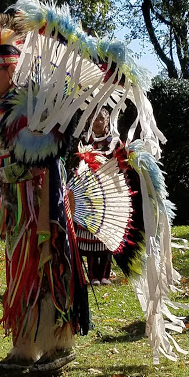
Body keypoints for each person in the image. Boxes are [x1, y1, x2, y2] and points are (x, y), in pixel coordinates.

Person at [0, 13, 89, 372]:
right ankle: (24, 348)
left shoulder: (32, 107)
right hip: (17, 210)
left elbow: (40, 161)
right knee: (20, 273)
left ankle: (60, 345)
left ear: (11, 67)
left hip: (41, 206)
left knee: (47, 267)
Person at [76, 108, 113, 285]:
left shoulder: (113, 142)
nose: (98, 122)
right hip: (88, 192)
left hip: (108, 192)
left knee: (106, 234)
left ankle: (105, 274)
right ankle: (92, 275)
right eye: (94, 118)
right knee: (91, 234)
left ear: (107, 122)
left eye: (101, 119)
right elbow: (77, 163)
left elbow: (119, 164)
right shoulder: (84, 140)